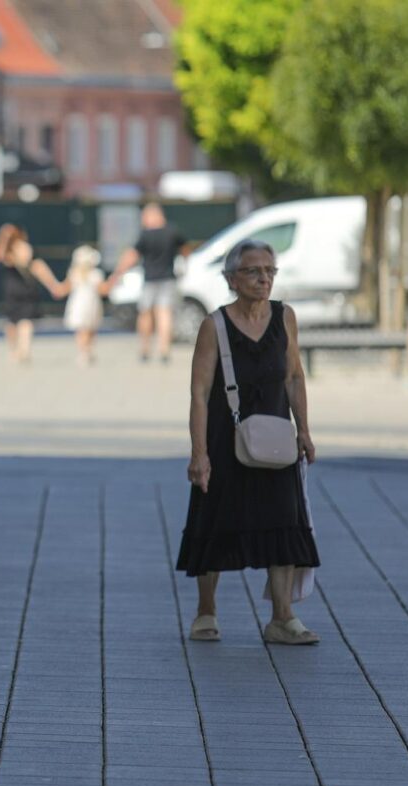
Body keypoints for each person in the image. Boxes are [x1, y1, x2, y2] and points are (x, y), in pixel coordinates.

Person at [177, 239, 321, 645]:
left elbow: (294, 376)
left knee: (284, 522)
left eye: (270, 271)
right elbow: (200, 394)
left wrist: (305, 431)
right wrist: (199, 453)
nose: (264, 279)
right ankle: (206, 611)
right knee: (216, 520)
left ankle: (282, 617)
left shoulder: (284, 317)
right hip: (227, 439)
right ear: (231, 279)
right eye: (254, 272)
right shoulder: (215, 326)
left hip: (276, 436)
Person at [108, 202, 188, 363]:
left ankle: (145, 349)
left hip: (150, 279)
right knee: (164, 314)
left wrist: (116, 275)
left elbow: (132, 255)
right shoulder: (173, 231)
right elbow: (186, 249)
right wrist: (185, 264)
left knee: (145, 314)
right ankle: (164, 350)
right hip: (168, 278)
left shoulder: (145, 235)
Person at [0, 223, 62, 364]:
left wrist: (52, 284)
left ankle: (24, 350)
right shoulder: (3, 248)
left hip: (24, 288)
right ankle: (15, 350)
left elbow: (31, 263)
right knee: (11, 324)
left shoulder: (23, 247)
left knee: (25, 322)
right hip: (11, 290)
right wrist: (4, 239)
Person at [58, 244, 110, 365]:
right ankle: (86, 351)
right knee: (88, 330)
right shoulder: (93, 274)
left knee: (83, 330)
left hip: (80, 304)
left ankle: (84, 351)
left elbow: (64, 289)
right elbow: (103, 290)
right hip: (89, 304)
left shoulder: (77, 273)